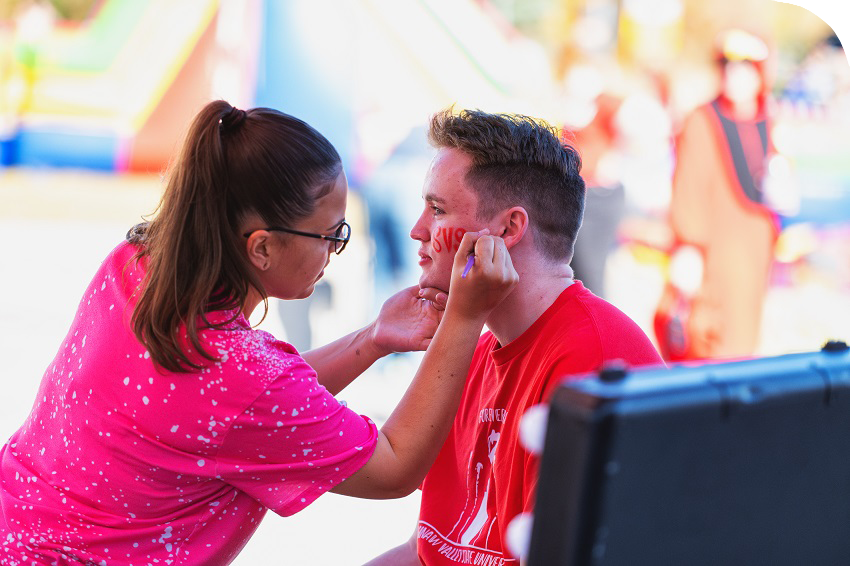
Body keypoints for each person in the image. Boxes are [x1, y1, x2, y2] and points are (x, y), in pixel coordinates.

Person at [0, 100, 518, 564]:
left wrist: (373, 339)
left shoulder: (133, 266)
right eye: (330, 234)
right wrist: (464, 318)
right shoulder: (239, 376)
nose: (334, 250)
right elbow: (393, 468)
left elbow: (233, 412)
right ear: (262, 247)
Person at [368, 109, 663, 565]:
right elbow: (425, 548)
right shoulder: (472, 347)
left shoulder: (595, 358)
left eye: (438, 209)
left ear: (508, 230)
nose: (417, 231)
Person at [655, 29, 779, 361]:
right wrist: (688, 248)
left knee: (745, 336)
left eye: (745, 68)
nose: (734, 76)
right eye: (727, 66)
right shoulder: (702, 120)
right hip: (715, 251)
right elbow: (689, 189)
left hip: (754, 249)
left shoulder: (771, 118)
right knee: (705, 337)